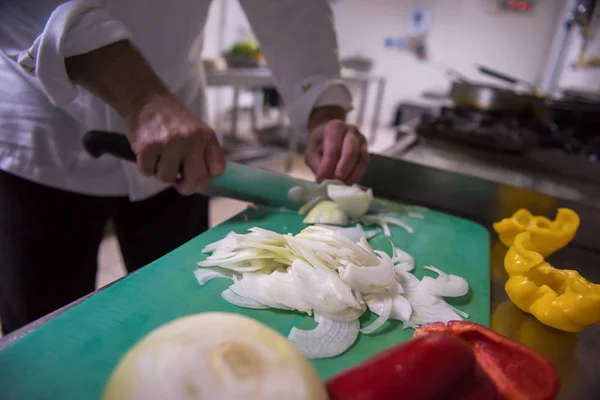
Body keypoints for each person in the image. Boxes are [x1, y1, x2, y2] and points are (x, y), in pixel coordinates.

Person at [0, 0, 369, 334]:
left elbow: (291, 8)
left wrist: (323, 106)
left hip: (183, 156)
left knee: (187, 311)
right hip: (43, 138)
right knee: (45, 329)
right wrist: (140, 96)